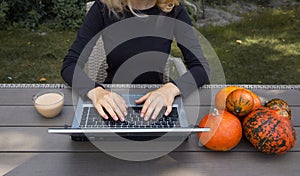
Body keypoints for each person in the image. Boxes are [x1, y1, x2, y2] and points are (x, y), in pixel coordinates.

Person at [61, 0, 210, 122]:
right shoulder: (104, 7)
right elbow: (70, 65)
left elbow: (201, 68)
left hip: (157, 103)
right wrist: (95, 91)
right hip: (113, 102)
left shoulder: (174, 10)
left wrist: (170, 89)